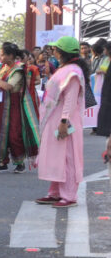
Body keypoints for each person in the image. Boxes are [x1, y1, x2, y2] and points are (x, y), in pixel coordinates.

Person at [36, 36, 89, 208]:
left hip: (65, 121)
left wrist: (64, 121)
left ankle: (69, 196)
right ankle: (56, 192)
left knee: (68, 157)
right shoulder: (65, 68)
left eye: (55, 49)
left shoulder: (72, 72)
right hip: (55, 119)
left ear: (61, 52)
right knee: (56, 156)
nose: (53, 51)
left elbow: (70, 99)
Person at [0, 42, 40, 172]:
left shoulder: (17, 70)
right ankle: (2, 162)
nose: (0, 57)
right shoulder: (4, 68)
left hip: (13, 106)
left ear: (10, 56)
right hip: (1, 105)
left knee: (14, 134)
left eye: (2, 54)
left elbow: (8, 87)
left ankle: (19, 163)